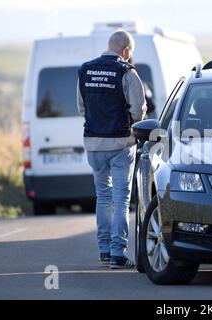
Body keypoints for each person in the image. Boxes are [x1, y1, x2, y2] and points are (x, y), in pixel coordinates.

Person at [77, 30, 147, 269]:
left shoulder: (85, 69)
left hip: (94, 144)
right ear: (126, 50)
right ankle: (118, 254)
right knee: (121, 199)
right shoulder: (127, 72)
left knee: (103, 197)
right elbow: (138, 112)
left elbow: (81, 108)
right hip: (120, 144)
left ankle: (104, 251)